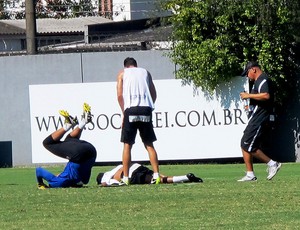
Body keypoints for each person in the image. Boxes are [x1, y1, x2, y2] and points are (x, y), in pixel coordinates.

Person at [116, 57, 160, 185]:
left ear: (125, 66)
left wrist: (124, 111)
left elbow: (119, 95)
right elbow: (154, 93)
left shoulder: (122, 74)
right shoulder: (146, 72)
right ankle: (156, 175)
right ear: (136, 65)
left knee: (127, 145)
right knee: (149, 144)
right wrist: (149, 106)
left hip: (131, 109)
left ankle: (126, 177)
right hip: (146, 109)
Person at [35, 103, 97, 189]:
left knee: (69, 140)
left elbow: (83, 181)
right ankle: (70, 125)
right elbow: (39, 170)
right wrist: (40, 183)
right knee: (47, 143)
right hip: (78, 153)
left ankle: (80, 123)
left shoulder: (79, 180)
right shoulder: (56, 183)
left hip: (91, 152)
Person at [238, 61, 281, 182]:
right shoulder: (257, 82)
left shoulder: (263, 79)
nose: (247, 76)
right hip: (255, 116)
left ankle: (273, 164)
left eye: (247, 73)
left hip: (261, 117)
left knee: (249, 145)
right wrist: (249, 106)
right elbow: (259, 99)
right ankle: (250, 174)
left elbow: (266, 96)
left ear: (253, 70)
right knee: (244, 143)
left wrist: (248, 96)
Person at [96, 163, 203, 186]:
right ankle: (185, 177)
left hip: (132, 174)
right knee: (158, 176)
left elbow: (107, 183)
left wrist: (102, 185)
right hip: (136, 166)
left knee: (158, 181)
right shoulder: (115, 168)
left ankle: (186, 177)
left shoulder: (105, 176)